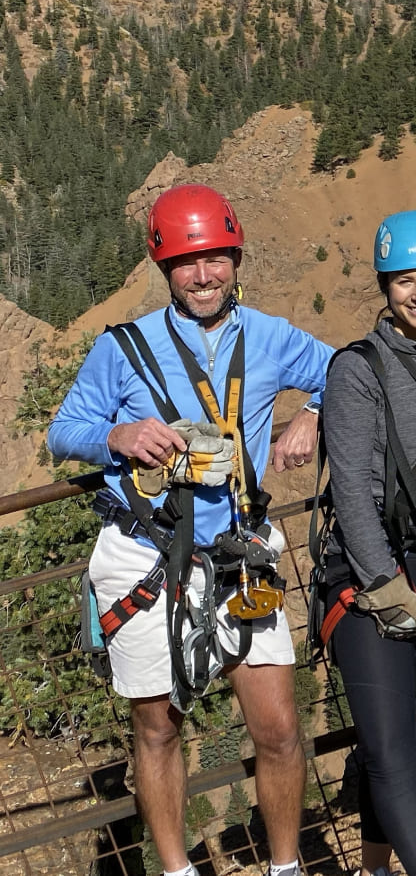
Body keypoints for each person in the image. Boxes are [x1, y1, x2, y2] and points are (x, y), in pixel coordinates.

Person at [48, 184, 332, 876]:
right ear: (163, 268)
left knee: (278, 728)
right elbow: (64, 431)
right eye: (186, 263)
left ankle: (285, 866)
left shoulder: (267, 336)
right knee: (157, 732)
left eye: (215, 259)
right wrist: (118, 432)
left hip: (240, 553)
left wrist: (313, 413)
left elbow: (346, 367)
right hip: (150, 556)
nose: (203, 276)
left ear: (235, 258)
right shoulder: (124, 347)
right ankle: (177, 871)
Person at [318, 210, 416, 876]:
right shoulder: (357, 369)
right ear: (386, 286)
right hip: (371, 578)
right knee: (391, 752)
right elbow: (352, 489)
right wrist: (386, 587)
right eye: (406, 281)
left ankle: (375, 867)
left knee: (387, 744)